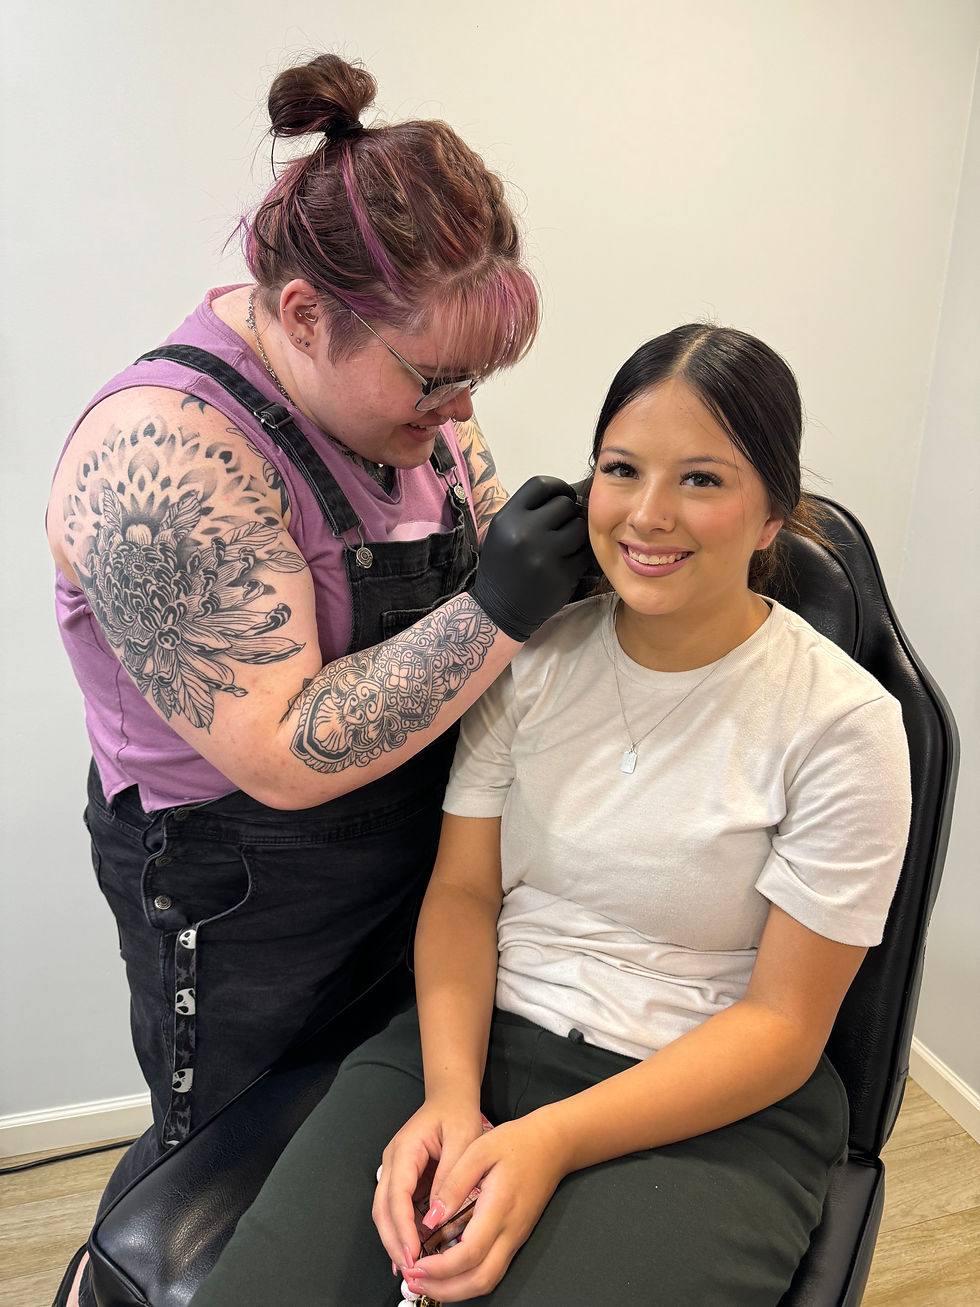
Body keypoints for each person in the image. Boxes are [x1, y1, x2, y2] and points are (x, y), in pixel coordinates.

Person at [188, 324, 913, 1307]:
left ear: (770, 514)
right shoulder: (528, 655)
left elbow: (782, 1025)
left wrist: (547, 1140)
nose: (647, 515)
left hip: (706, 1094)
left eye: (700, 479)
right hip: (476, 1036)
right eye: (620, 469)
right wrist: (449, 1095)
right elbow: (461, 891)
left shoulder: (841, 722)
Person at [46, 52, 589, 1307]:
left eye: (474, 381)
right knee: (217, 1165)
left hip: (406, 838)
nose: (456, 414)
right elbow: (282, 747)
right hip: (240, 885)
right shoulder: (162, 455)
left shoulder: (417, 388)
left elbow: (475, 515)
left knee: (345, 1136)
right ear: (302, 315)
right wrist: (501, 611)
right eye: (431, 380)